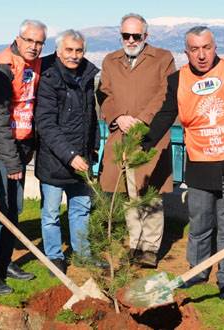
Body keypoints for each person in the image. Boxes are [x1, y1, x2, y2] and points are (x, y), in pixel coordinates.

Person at [142, 26, 224, 300]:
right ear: (186, 52)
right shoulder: (177, 80)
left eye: (207, 48)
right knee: (200, 224)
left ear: (215, 47)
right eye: (194, 49)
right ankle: (197, 273)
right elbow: (166, 114)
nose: (201, 55)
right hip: (200, 165)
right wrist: (143, 143)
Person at [96, 13, 175, 268]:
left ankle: (150, 248)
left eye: (136, 36)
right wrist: (118, 116)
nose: (130, 40)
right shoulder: (110, 61)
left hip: (151, 136)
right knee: (128, 192)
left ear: (145, 36)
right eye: (125, 35)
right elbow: (104, 93)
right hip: (121, 134)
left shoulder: (163, 59)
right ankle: (135, 244)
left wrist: (142, 120)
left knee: (150, 193)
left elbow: (165, 94)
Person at [0, 19, 47, 295]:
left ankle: (5, 263)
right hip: (1, 149)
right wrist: (11, 161)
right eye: (29, 40)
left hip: (20, 147)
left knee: (13, 210)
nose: (34, 46)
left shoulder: (35, 63)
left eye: (39, 42)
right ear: (18, 39)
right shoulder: (4, 68)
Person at [34, 29, 100, 274]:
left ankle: (82, 254)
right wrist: (71, 155)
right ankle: (54, 256)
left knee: (80, 209)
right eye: (69, 50)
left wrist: (92, 146)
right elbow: (47, 125)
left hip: (82, 157)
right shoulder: (49, 78)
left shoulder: (87, 75)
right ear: (59, 51)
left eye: (79, 50)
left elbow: (90, 115)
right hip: (55, 160)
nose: (74, 55)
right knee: (50, 213)